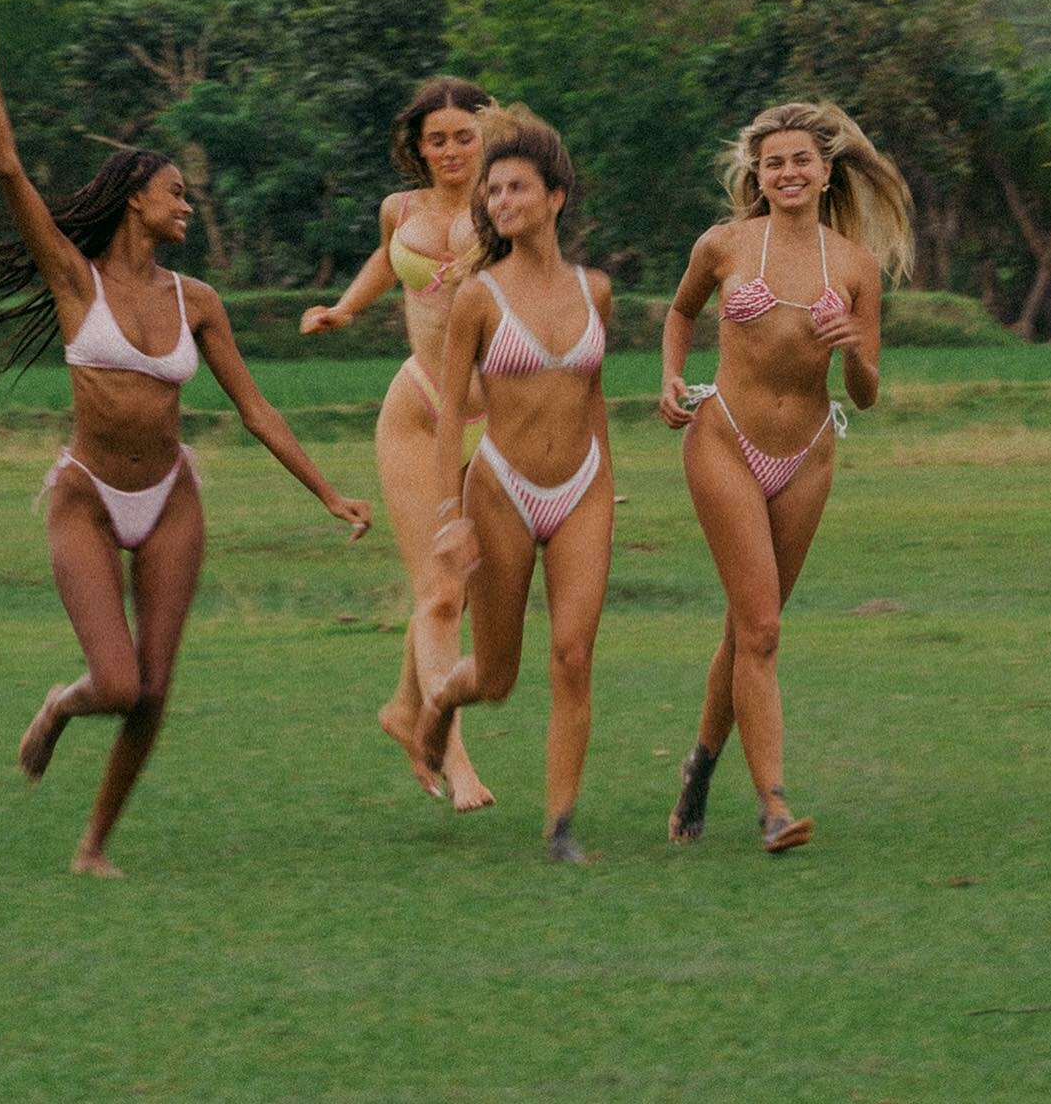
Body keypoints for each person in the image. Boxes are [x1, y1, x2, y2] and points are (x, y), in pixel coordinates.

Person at [0, 0, 371, 877]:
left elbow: (256, 410)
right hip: (89, 499)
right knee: (117, 682)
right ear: (135, 198)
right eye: (176, 193)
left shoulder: (197, 300)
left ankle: (94, 846)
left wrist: (328, 495)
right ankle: (62, 705)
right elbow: (10, 171)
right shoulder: (74, 279)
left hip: (171, 498)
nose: (187, 205)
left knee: (155, 690)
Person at [658, 101, 912, 853]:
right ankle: (773, 804)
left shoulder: (856, 266)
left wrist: (853, 348)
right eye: (774, 162)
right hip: (725, 441)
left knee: (749, 629)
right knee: (762, 629)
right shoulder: (724, 245)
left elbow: (866, 393)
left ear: (826, 172)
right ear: (758, 174)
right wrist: (671, 377)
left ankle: (700, 767)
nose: (789, 172)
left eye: (802, 160)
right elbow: (680, 313)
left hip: (808, 454)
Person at [414, 108, 614, 862]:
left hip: (584, 489)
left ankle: (560, 828)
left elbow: (594, 397)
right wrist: (449, 515)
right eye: (493, 191)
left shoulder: (596, 291)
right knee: (496, 677)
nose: (501, 201)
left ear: (555, 197)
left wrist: (606, 485)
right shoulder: (478, 297)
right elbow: (448, 415)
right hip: (499, 490)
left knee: (573, 656)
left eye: (517, 188)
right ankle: (442, 697)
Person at [300, 78, 496, 811]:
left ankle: (403, 707)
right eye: (435, 139)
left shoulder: (509, 203)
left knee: (462, 595)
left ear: (487, 136)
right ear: (418, 146)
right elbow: (390, 258)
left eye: (463, 136)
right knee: (439, 593)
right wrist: (346, 308)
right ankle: (452, 755)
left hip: (497, 417)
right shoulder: (401, 209)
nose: (450, 150)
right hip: (419, 410)